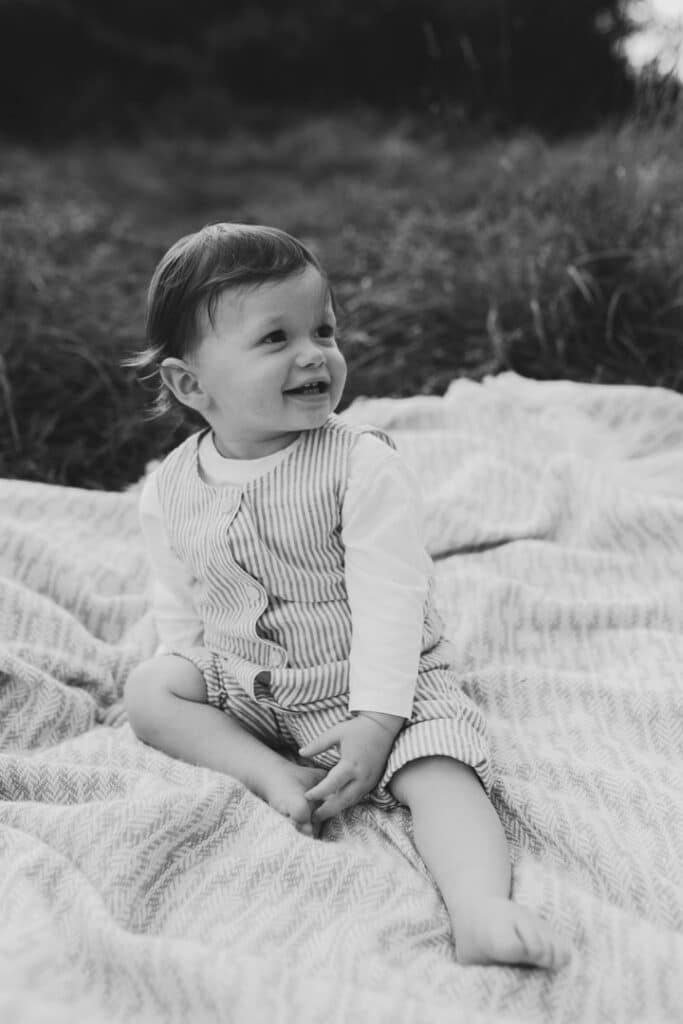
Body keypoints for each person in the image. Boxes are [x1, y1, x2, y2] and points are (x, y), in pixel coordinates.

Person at [124, 222, 571, 968]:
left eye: (324, 329)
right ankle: (272, 773)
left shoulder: (359, 466)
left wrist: (375, 720)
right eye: (276, 339)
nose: (314, 354)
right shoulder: (169, 486)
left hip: (376, 682)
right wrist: (195, 666)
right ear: (189, 384)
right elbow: (181, 601)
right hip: (250, 683)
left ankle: (479, 907)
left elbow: (393, 604)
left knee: (443, 771)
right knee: (151, 689)